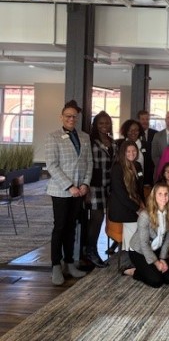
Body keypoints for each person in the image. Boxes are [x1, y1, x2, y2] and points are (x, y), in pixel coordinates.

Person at [45, 100, 93, 286]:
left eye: (74, 116)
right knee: (60, 228)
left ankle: (70, 263)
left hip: (79, 191)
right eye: (68, 116)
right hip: (61, 191)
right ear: (61, 117)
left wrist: (85, 184)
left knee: (72, 227)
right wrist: (69, 186)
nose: (71, 119)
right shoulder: (53, 137)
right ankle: (56, 266)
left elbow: (88, 163)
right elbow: (52, 165)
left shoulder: (84, 137)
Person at [123, 183, 169, 288]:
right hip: (139, 251)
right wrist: (157, 263)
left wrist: (162, 258)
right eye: (160, 194)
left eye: (166, 194)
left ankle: (149, 269)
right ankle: (134, 271)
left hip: (155, 249)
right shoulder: (145, 215)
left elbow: (167, 240)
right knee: (156, 281)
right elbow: (144, 244)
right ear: (154, 196)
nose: (163, 197)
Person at [85, 110, 116, 268]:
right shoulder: (91, 142)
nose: (105, 126)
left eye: (107, 123)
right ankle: (91, 251)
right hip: (95, 186)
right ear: (96, 125)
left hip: (110, 186)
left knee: (105, 218)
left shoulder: (113, 141)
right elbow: (86, 165)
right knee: (96, 220)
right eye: (101, 123)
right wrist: (87, 188)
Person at [108, 140, 145, 260]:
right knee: (137, 223)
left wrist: (144, 206)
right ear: (123, 152)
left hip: (134, 204)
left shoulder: (138, 166)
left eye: (134, 150)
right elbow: (121, 194)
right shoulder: (117, 168)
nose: (132, 153)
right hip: (120, 208)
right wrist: (137, 209)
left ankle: (138, 252)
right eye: (128, 151)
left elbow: (139, 190)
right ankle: (134, 255)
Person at [137, 110, 157, 186]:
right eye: (142, 119)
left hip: (151, 172)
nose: (145, 121)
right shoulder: (134, 134)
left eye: (147, 119)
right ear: (138, 120)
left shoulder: (156, 134)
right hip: (138, 170)